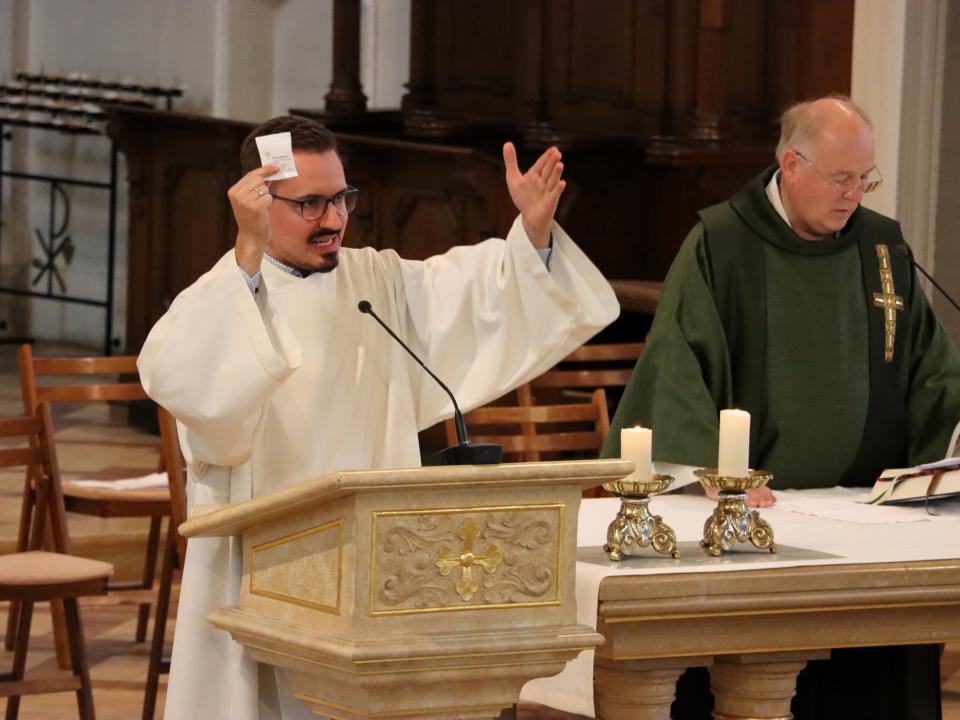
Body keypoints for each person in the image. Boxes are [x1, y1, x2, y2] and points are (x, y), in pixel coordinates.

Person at [138, 115, 619, 720]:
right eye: (310, 204)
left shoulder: (376, 281)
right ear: (255, 201)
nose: (334, 219)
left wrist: (533, 231)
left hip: (376, 572)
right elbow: (186, 384)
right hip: (266, 576)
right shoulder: (227, 294)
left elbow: (479, 296)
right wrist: (247, 253)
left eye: (342, 198)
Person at [604, 96, 958, 718]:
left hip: (869, 520)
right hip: (757, 523)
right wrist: (713, 471)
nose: (855, 194)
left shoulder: (882, 248)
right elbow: (677, 368)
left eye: (865, 179)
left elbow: (931, 370)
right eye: (841, 178)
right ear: (791, 165)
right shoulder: (721, 243)